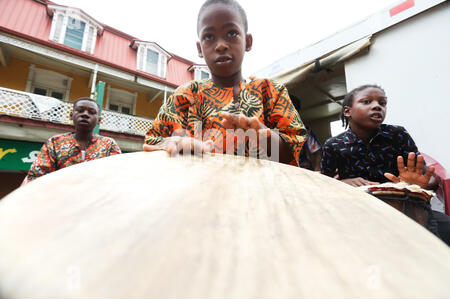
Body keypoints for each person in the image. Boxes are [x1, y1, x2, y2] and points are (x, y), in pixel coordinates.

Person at [143, 0, 307, 166]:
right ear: (200, 48)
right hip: (198, 189)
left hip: (257, 191)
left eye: (231, 33)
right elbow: (151, 144)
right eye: (209, 37)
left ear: (248, 42)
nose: (220, 45)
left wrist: (263, 136)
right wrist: (170, 145)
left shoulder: (271, 92)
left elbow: (295, 152)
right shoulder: (183, 97)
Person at [320, 84, 450, 245]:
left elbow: (429, 180)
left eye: (382, 103)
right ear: (348, 111)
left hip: (406, 207)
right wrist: (342, 184)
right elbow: (323, 186)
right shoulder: (333, 145)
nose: (377, 106)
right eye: (367, 102)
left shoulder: (398, 134)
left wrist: (419, 184)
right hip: (359, 212)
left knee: (443, 231)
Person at [25, 97, 121, 183]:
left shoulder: (109, 145)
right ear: (71, 115)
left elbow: (118, 176)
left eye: (91, 112)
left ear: (99, 120)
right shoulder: (54, 143)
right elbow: (37, 177)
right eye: (80, 110)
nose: (85, 114)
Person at [289, 94, 322, 171]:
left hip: (303, 171)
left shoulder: (304, 131)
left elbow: (318, 152)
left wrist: (317, 169)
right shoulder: (272, 130)